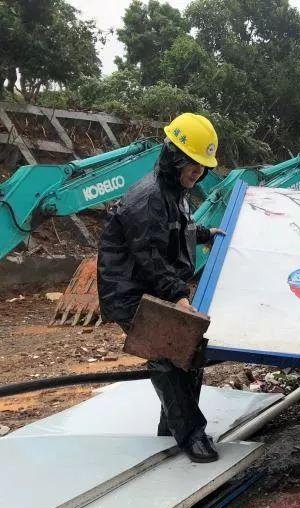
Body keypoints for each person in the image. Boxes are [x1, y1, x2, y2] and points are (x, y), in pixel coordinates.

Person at [97, 113, 225, 463]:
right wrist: (177, 296)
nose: (196, 174)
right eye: (192, 167)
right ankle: (191, 435)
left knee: (189, 354)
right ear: (174, 158)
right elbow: (149, 255)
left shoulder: (174, 191)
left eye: (201, 169)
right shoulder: (149, 197)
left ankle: (171, 429)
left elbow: (177, 228)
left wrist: (205, 234)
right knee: (168, 357)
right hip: (133, 292)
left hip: (154, 288)